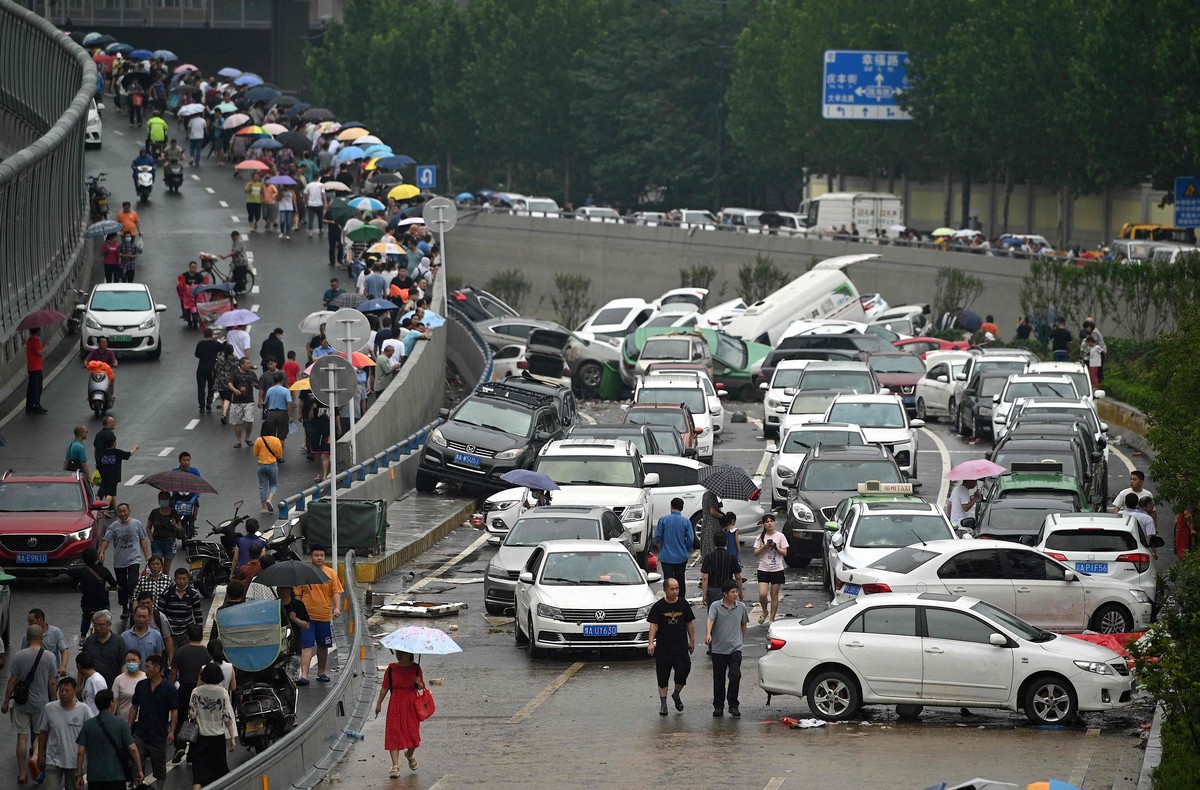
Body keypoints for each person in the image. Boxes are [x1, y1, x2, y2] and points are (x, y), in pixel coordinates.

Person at [3, 625, 60, 782]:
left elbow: (13, 680)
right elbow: (52, 682)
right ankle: (34, 757)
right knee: (39, 734)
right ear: (42, 638)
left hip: (21, 702)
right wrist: (54, 702)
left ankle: (22, 773)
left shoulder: (19, 655)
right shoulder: (49, 657)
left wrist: (6, 700)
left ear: (27, 638)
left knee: (22, 737)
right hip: (41, 703)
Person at [75, 689, 144, 789]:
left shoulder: (88, 724)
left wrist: (80, 775)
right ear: (111, 703)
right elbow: (133, 748)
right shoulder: (120, 723)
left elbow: (80, 752)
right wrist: (139, 770)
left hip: (94, 777)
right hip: (116, 775)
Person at [128, 655, 177, 789]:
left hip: (159, 736)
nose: (146, 670)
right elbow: (134, 706)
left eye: (148, 667)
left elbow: (174, 711)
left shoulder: (169, 688)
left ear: (157, 668)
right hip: (141, 734)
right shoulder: (141, 685)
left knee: (159, 768)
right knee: (135, 763)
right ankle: (137, 786)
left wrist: (171, 731)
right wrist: (129, 727)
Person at [647, 578, 694, 716]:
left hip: (680, 647)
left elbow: (689, 623)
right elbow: (653, 625)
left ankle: (676, 694)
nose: (675, 591)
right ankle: (663, 705)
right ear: (665, 590)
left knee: (683, 672)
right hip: (663, 648)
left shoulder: (683, 604)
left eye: (677, 588)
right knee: (662, 677)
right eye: (672, 589)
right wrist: (651, 643)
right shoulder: (659, 607)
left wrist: (692, 640)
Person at [374, 650, 425, 776]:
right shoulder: (391, 669)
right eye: (398, 652)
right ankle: (395, 766)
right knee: (394, 732)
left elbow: (421, 687)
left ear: (410, 654)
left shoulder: (416, 668)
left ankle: (409, 754)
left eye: (403, 653)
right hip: (395, 704)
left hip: (411, 704)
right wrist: (379, 703)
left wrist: (419, 683)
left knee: (413, 734)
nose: (399, 654)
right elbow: (385, 687)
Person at [295, 547, 343, 686]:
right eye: (316, 555)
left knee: (323, 645)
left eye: (321, 555)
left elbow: (336, 592)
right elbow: (298, 595)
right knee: (306, 645)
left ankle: (321, 672)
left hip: (324, 616)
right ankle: (304, 675)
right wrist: (297, 613)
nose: (319, 558)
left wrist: (338, 607)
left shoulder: (331, 574)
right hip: (307, 618)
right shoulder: (303, 575)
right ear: (311, 557)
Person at [186, 663, 237, 787]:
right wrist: (232, 737)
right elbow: (227, 716)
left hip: (201, 736)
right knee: (219, 771)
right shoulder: (223, 692)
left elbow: (191, 714)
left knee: (199, 772)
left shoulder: (196, 691)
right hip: (217, 737)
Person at [37, 676, 92, 790]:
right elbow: (43, 732)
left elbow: (90, 734)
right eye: (61, 690)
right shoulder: (49, 708)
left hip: (74, 762)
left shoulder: (84, 710)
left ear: (74, 691)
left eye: (67, 691)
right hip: (53, 759)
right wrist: (41, 754)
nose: (63, 693)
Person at [706, 581, 749, 718]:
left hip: (735, 648)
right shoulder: (715, 606)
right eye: (732, 592)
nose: (735, 594)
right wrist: (708, 634)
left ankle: (733, 705)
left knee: (735, 675)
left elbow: (743, 624)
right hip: (719, 649)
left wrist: (741, 640)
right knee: (719, 679)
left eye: (736, 591)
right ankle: (718, 706)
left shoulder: (741, 607)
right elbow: (710, 620)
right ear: (725, 594)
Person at [99, 503, 149, 613]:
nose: (122, 514)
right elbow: (106, 540)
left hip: (134, 559)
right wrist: (102, 552)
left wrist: (147, 556)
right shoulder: (114, 526)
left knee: (133, 582)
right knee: (121, 585)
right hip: (119, 561)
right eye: (120, 512)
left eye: (124, 511)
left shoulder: (137, 524)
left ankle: (133, 603)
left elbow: (142, 540)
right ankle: (124, 607)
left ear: (129, 511)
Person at [73, 550, 117, 641]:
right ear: (96, 558)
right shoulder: (104, 570)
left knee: (86, 617)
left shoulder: (81, 572)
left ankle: (82, 637)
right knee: (106, 617)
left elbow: (73, 585)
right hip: (103, 604)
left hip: (87, 604)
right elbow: (113, 583)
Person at [653, 497, 693, 595]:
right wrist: (687, 548)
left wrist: (661, 548)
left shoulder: (663, 520)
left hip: (666, 556)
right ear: (682, 508)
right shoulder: (686, 521)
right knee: (680, 580)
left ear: (671, 507)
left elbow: (657, 537)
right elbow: (690, 539)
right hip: (681, 556)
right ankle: (681, 601)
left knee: (668, 581)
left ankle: (669, 600)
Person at [157, 568, 203, 650]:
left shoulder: (193, 594)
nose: (181, 581)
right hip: (170, 633)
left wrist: (199, 631)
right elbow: (159, 613)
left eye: (184, 579)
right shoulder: (167, 593)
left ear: (188, 579)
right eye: (179, 579)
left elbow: (197, 613)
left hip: (187, 633)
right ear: (175, 580)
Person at [699, 529, 742, 610]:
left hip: (713, 591)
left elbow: (704, 577)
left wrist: (704, 594)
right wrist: (740, 592)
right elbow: (738, 577)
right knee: (728, 614)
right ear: (726, 542)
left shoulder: (709, 557)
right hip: (728, 590)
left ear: (714, 543)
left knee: (713, 616)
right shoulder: (731, 557)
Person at [170, 625, 209, 709]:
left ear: (187, 636)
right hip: (202, 689)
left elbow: (173, 672)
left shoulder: (180, 652)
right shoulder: (207, 653)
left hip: (184, 688)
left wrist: (170, 687)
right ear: (201, 637)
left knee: (182, 713)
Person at [22, 609, 70, 678]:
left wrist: (63, 667)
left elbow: (64, 651)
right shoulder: (27, 636)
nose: (30, 624)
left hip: (52, 674)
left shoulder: (55, 632)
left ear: (40, 619)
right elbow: (24, 656)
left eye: (31, 621)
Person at [228, 356, 258, 448]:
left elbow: (258, 385)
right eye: (247, 363)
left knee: (249, 420)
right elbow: (229, 383)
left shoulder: (252, 374)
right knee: (237, 422)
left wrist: (256, 385)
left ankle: (247, 437)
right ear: (241, 365)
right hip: (237, 401)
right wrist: (234, 390)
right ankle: (238, 440)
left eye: (249, 363)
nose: (249, 365)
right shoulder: (234, 374)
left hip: (249, 401)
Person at [253, 429, 284, 515]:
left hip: (261, 465)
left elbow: (255, 453)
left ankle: (263, 508)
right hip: (272, 464)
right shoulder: (276, 440)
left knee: (263, 486)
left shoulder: (259, 440)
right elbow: (280, 454)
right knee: (273, 484)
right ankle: (269, 500)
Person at [146, 493, 184, 564]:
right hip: (157, 542)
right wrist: (152, 540)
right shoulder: (154, 512)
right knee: (156, 565)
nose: (164, 500)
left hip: (170, 542)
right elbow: (148, 528)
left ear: (169, 500)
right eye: (162, 499)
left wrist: (175, 525)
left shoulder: (174, 513)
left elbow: (180, 529)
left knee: (166, 568)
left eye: (165, 499)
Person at [193, 328, 223, 413]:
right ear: (212, 335)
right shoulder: (216, 344)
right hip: (212, 369)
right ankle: (209, 403)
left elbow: (196, 354)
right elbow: (223, 350)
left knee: (201, 388)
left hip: (201, 368)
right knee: (211, 387)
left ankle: (201, 406)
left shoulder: (200, 344)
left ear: (204, 335)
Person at [112, 649, 146, 721]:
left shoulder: (145, 678)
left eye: (134, 660)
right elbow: (115, 701)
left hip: (140, 720)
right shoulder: (119, 679)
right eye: (128, 660)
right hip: (123, 719)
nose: (131, 663)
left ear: (139, 662)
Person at [277, 587, 309, 657]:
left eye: (284, 588)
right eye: (278, 588)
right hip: (278, 646)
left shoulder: (298, 605)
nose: (281, 590)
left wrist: (295, 619)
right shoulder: (274, 606)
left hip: (294, 645)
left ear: (290, 590)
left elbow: (306, 626)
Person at [75, 653, 108, 718]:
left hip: (97, 719)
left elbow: (103, 703)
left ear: (79, 666)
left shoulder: (97, 680)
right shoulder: (88, 679)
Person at [698, 491, 725, 559]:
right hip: (712, 522)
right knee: (712, 542)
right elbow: (712, 511)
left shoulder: (706, 494)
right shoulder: (711, 495)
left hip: (706, 521)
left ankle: (707, 558)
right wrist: (722, 516)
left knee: (706, 542)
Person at [26, 326, 46, 414]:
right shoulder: (34, 340)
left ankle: (30, 405)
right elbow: (39, 352)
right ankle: (36, 405)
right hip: (35, 367)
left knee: (32, 388)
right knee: (37, 388)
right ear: (37, 331)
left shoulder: (30, 340)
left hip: (33, 367)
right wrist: (46, 346)